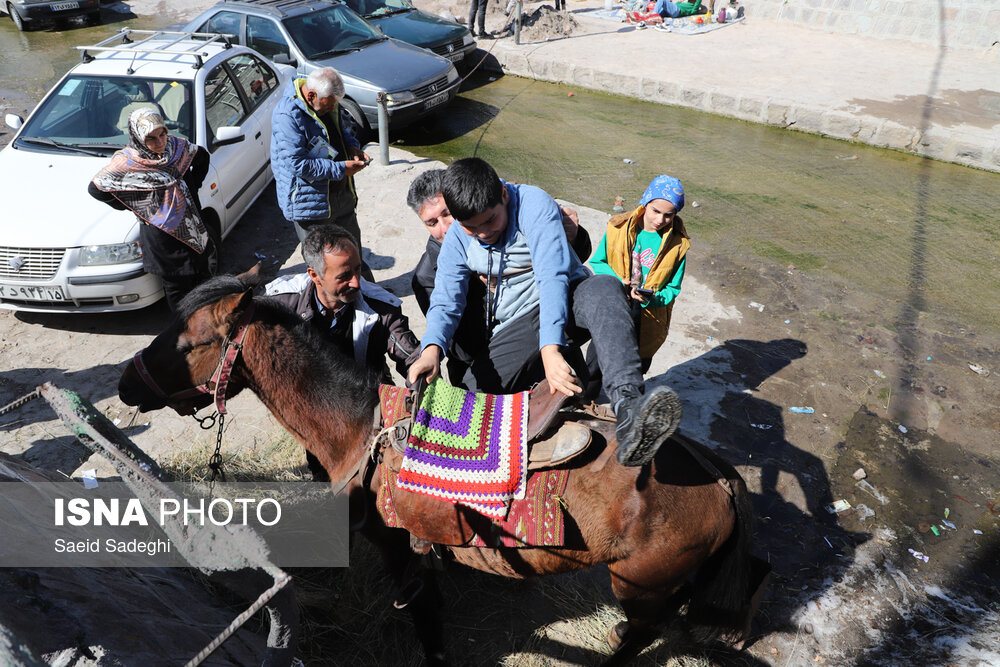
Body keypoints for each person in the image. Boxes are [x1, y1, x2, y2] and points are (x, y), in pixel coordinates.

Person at [407, 157, 682, 467]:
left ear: (504, 195)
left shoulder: (533, 203)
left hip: (565, 303)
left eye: (490, 221)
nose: (483, 233)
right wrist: (431, 350)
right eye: (472, 227)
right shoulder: (456, 238)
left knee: (605, 287)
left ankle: (629, 407)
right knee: (468, 405)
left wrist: (550, 350)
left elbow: (552, 276)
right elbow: (446, 301)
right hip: (516, 330)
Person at [406, 168, 592, 387]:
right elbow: (454, 336)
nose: (446, 227)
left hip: (547, 340)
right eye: (432, 223)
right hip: (488, 363)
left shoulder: (496, 222)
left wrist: (572, 236)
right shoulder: (427, 276)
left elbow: (559, 271)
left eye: (447, 213)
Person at [265, 225, 421, 481]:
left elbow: (410, 354)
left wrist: (418, 382)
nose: (357, 282)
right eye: (344, 276)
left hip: (370, 409)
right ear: (314, 275)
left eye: (358, 269)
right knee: (327, 477)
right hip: (314, 413)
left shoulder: (381, 307)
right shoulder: (280, 305)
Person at [89, 107, 216, 313]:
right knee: (180, 296)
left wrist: (194, 186)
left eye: (162, 133)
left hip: (194, 228)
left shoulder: (177, 148)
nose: (160, 142)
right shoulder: (128, 163)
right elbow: (97, 188)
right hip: (164, 239)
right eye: (151, 138)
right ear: (138, 138)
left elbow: (202, 158)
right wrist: (138, 205)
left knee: (206, 286)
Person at [589, 174, 689, 373]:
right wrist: (619, 282)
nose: (660, 220)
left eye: (668, 215)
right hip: (614, 305)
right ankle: (588, 398)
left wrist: (651, 298)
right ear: (645, 202)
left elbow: (673, 288)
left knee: (636, 366)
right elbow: (597, 261)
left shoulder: (678, 245)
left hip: (648, 316)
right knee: (596, 362)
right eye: (655, 211)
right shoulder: (617, 228)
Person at [270, 68, 371, 249]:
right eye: (328, 106)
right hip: (311, 207)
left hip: (341, 195)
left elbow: (340, 131)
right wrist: (341, 169)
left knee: (352, 251)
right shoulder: (287, 115)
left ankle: (362, 278)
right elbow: (297, 164)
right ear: (311, 96)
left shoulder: (327, 98)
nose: (332, 109)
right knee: (324, 263)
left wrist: (352, 145)